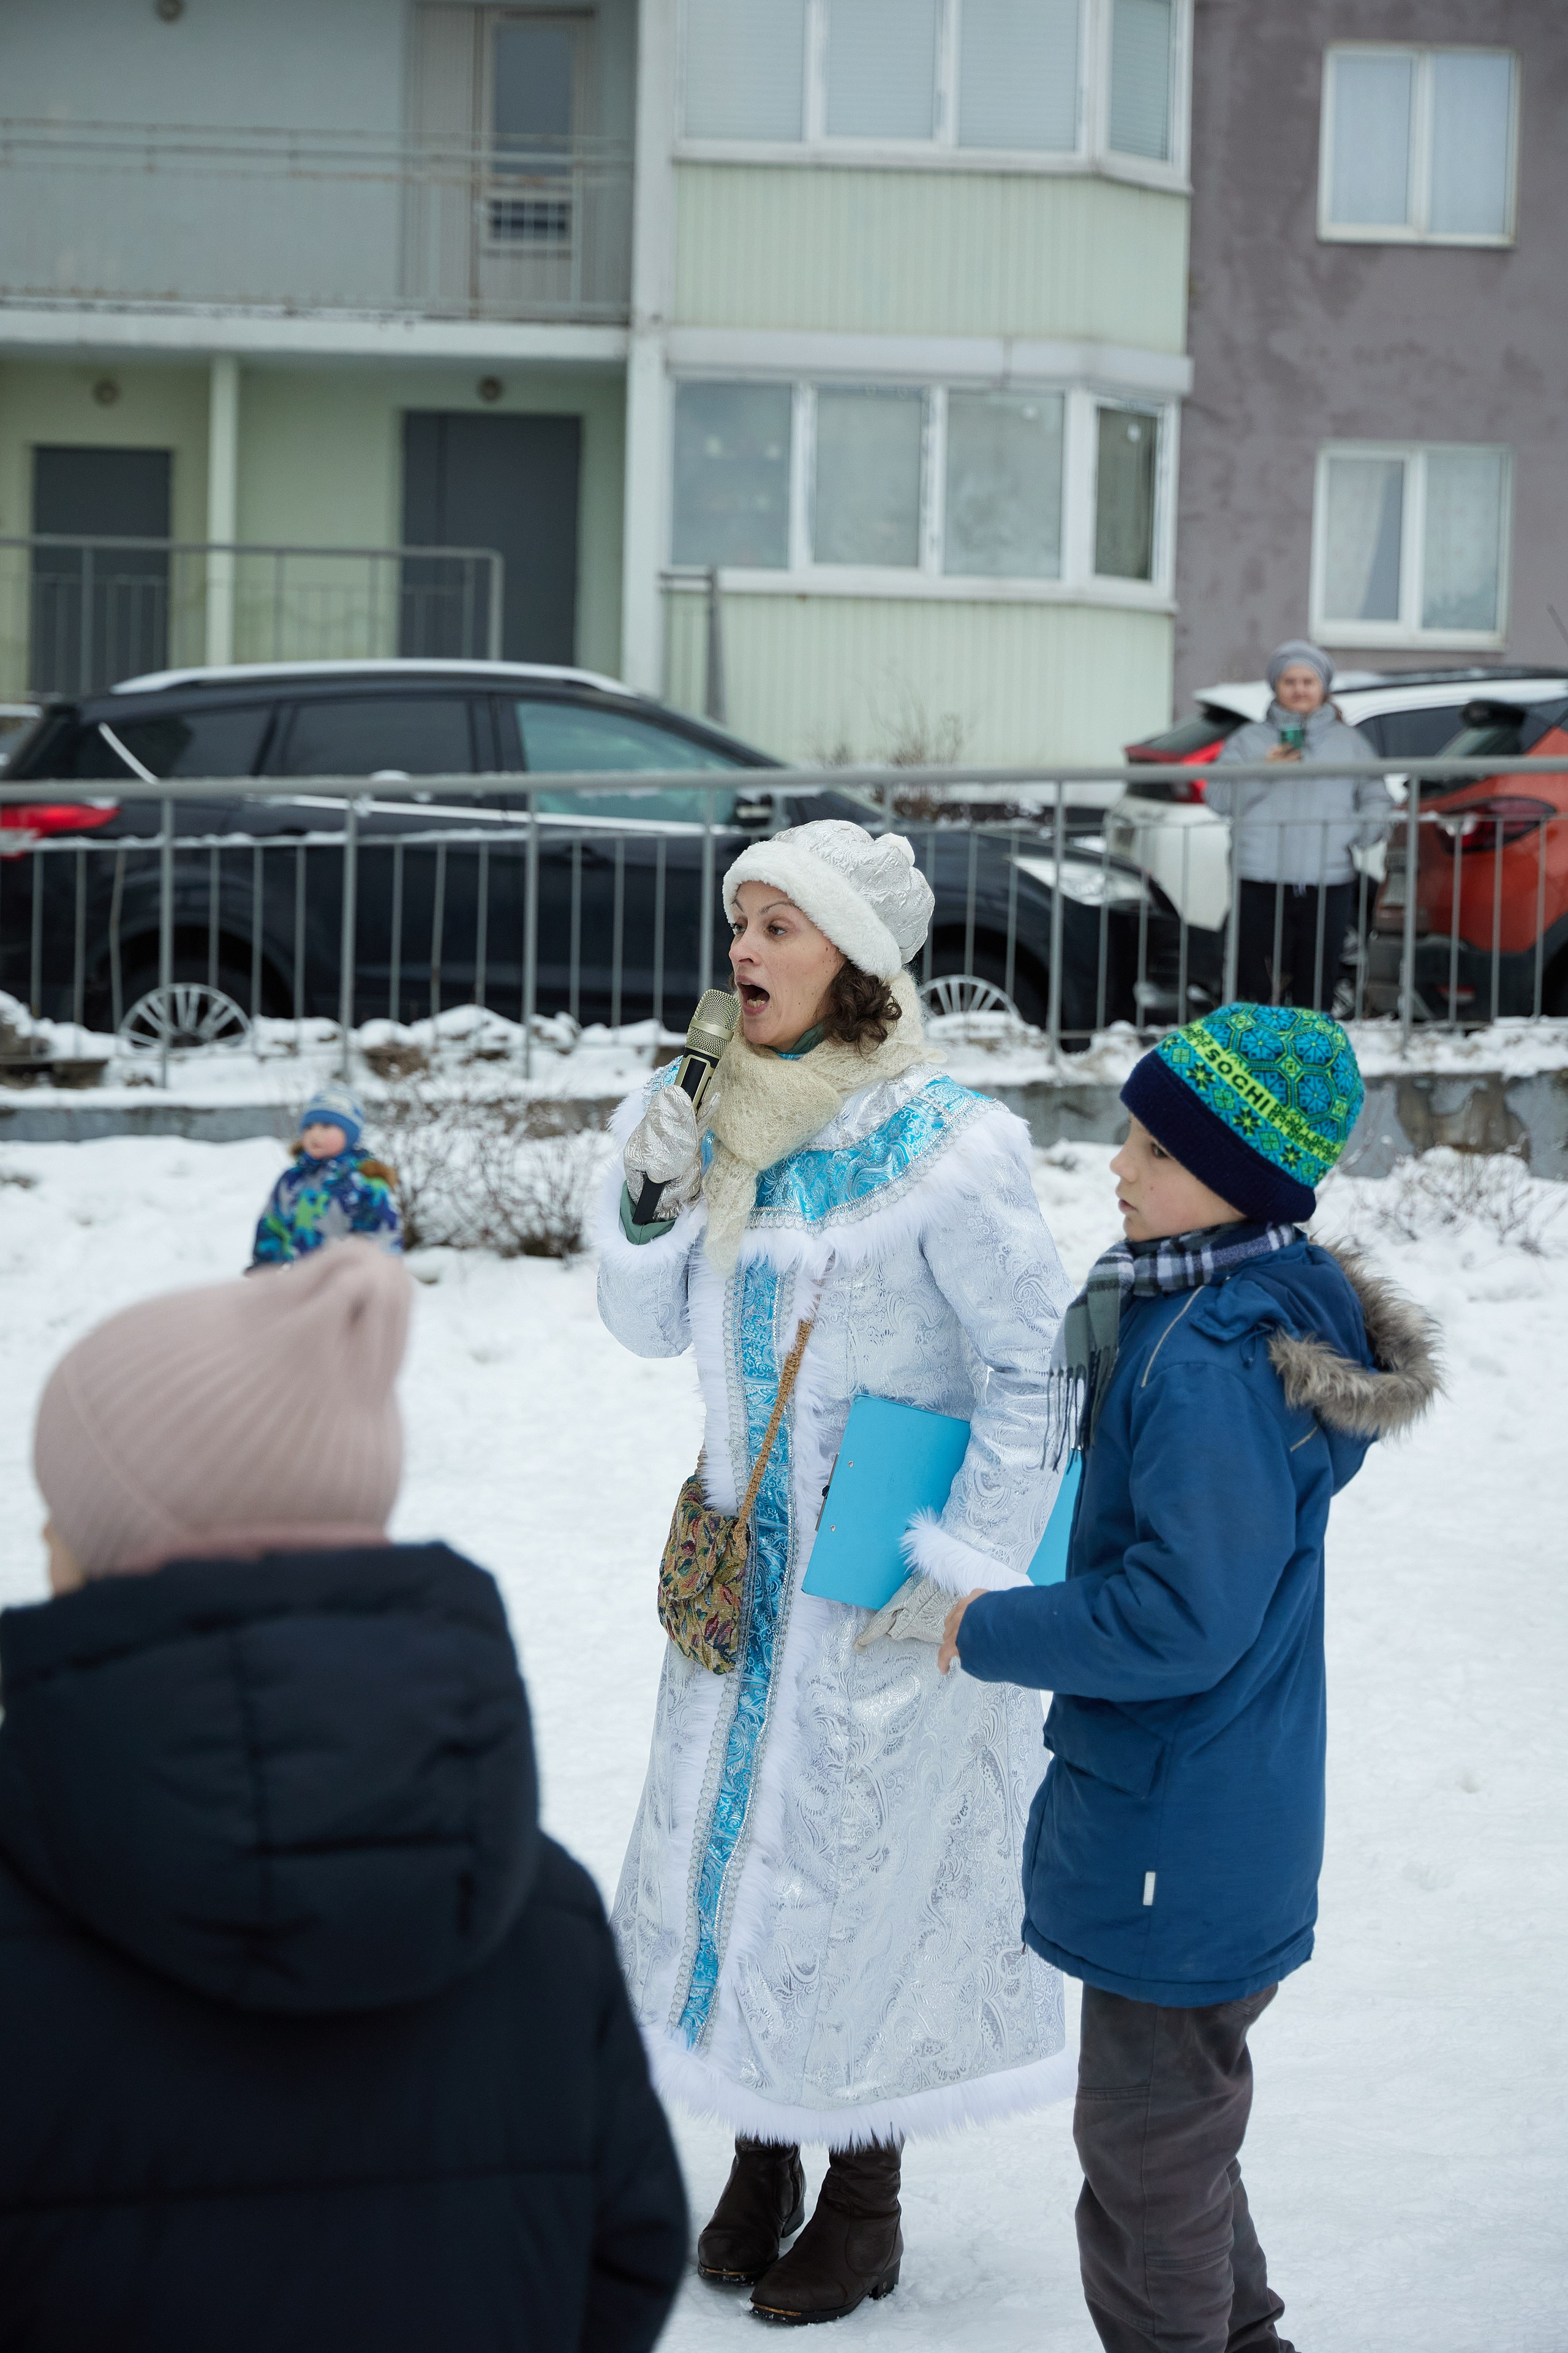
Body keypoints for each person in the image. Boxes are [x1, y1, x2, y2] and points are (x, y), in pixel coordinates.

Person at [1, 1241, 687, 2353]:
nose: (40, 1534)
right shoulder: (540, 1910)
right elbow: (628, 2247)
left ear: (119, 1542)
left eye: (61, 1508)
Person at [598, 819, 1074, 2327]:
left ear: (851, 960)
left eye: (775, 926)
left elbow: (1034, 1367)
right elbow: (650, 1329)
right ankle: (761, 2151)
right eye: (735, 921)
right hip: (743, 1587)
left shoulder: (946, 1142)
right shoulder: (710, 1106)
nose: (740, 949)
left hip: (886, 1591)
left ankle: (860, 2198)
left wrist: (963, 1568)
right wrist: (646, 1196)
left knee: (863, 1885)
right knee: (742, 1876)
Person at [938, 1003, 1441, 2353]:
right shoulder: (1212, 1307)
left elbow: (1182, 1617)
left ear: (1241, 1179)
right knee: (1178, 2125)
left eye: (1154, 1150)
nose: (1117, 1165)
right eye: (1128, 1136)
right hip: (1214, 1802)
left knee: (1147, 2151)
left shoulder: (1211, 1351)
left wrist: (985, 1625)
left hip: (1183, 1812)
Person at [1207, 639, 1392, 1012]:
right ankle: (1254, 1056)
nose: (1299, 690)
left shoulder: (1350, 743)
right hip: (1260, 879)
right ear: (1276, 687)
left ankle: (1309, 1061)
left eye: (1308, 681)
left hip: (1328, 883)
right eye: (1290, 681)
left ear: (1323, 689)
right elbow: (1219, 799)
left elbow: (1376, 799)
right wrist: (1263, 771)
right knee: (1255, 983)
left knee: (1316, 982)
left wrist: (1354, 832)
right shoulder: (1249, 741)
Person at [251, 1082, 402, 1265]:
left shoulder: (365, 1185)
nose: (315, 1134)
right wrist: (266, 1271)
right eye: (309, 1127)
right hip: (295, 1283)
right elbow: (272, 1225)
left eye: (326, 1126)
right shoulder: (291, 1180)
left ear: (350, 1134)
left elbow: (383, 1239)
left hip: (346, 1285)